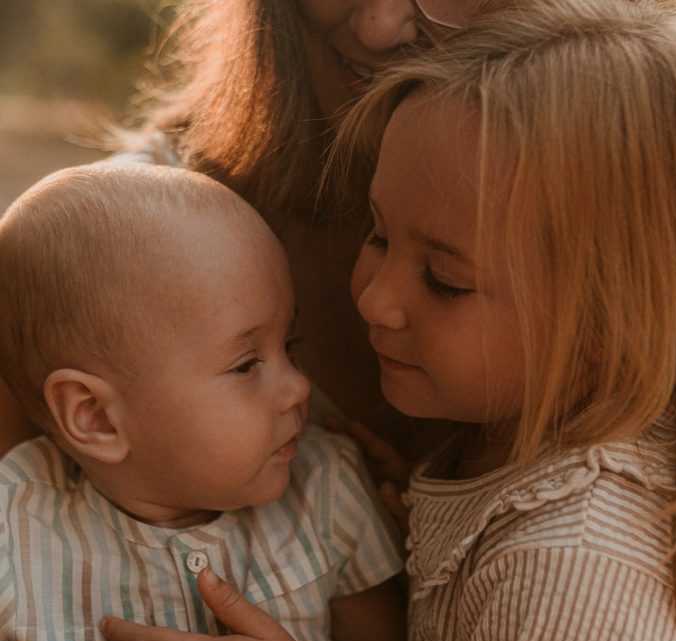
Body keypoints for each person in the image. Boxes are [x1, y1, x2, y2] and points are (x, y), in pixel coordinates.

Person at [103, 1, 676, 641]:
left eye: (446, 282)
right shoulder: (505, 452)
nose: (375, 299)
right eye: (378, 234)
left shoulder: (576, 557)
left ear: (607, 323)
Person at [0, 0, 499, 459]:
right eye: (244, 364)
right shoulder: (85, 254)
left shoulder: (573, 232)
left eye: (446, 279)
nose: (377, 27)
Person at [0, 162, 406, 641]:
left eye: (291, 344)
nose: (297, 387)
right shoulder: (14, 527)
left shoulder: (328, 489)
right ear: (95, 417)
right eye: (245, 365)